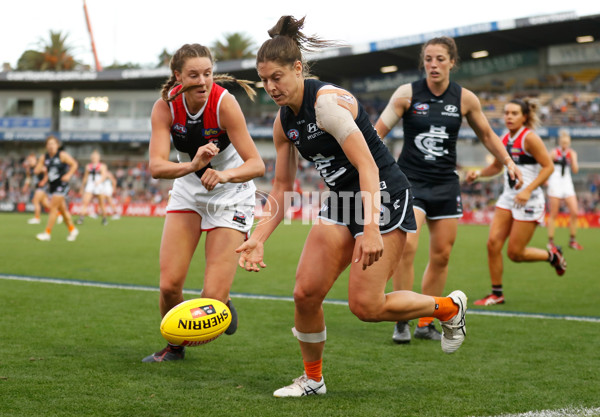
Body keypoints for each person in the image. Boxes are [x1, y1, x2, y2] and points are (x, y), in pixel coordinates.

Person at [237, 16, 467, 397]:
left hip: (383, 193)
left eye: (276, 77)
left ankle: (447, 308)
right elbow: (281, 186)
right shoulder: (284, 122)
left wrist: (371, 228)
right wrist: (259, 236)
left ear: (297, 68)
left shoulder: (326, 105)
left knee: (367, 306)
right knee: (305, 293)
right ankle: (313, 380)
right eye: (263, 80)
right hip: (342, 200)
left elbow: (368, 165)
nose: (270, 87)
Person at [374, 36, 523, 343]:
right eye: (428, 59)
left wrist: (508, 161)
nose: (433, 65)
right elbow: (376, 133)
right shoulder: (406, 94)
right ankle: (402, 318)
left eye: (440, 59)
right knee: (408, 248)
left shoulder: (465, 99)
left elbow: (487, 134)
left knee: (441, 255)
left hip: (445, 185)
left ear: (452, 62)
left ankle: (426, 320)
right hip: (410, 182)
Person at [142, 43, 265, 363]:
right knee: (169, 286)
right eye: (193, 75)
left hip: (231, 197)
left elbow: (256, 165)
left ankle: (222, 297)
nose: (203, 81)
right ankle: (174, 347)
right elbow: (156, 167)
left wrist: (223, 176)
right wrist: (193, 167)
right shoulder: (164, 108)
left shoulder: (224, 104)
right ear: (178, 76)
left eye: (208, 73)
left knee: (211, 298)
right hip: (188, 192)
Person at [467, 98, 566, 306]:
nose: (509, 117)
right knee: (492, 244)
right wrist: (478, 174)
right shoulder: (503, 138)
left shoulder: (530, 138)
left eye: (514, 113)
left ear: (524, 117)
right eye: (506, 113)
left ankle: (552, 256)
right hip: (508, 197)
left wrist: (528, 190)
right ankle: (497, 294)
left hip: (529, 200)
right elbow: (496, 166)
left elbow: (548, 167)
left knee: (515, 253)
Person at [35, 135, 79, 242]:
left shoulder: (62, 155)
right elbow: (36, 170)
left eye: (53, 144)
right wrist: (40, 168)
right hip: (52, 186)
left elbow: (74, 164)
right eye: (49, 144)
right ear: (46, 146)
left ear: (57, 145)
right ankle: (72, 229)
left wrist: (69, 175)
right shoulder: (44, 157)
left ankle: (47, 233)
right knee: (63, 210)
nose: (51, 146)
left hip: (62, 185)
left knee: (53, 208)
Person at [546, 129, 583, 250]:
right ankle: (550, 241)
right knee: (554, 213)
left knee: (574, 212)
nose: (564, 144)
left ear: (569, 143)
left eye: (566, 142)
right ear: (559, 141)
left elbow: (575, 170)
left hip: (567, 183)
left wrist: (573, 159)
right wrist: (545, 179)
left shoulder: (572, 153)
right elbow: (546, 165)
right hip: (555, 182)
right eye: (563, 142)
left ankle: (572, 240)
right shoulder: (553, 152)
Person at [77, 150, 109, 225]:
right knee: (85, 202)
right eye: (93, 157)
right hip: (90, 184)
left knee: (101, 203)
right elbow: (85, 177)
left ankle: (104, 218)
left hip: (99, 185)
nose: (94, 158)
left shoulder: (102, 166)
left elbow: (104, 175)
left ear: (98, 158)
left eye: (96, 157)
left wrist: (99, 181)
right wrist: (82, 187)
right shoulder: (88, 166)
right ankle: (81, 218)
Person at [23, 153, 50, 224]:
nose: (30, 161)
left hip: (42, 187)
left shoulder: (39, 166)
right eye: (29, 160)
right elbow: (28, 178)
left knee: (35, 201)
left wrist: (44, 181)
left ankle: (37, 218)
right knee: (45, 204)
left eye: (31, 160)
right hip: (37, 187)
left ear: (35, 160)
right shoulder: (29, 169)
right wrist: (26, 186)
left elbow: (47, 174)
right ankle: (59, 213)